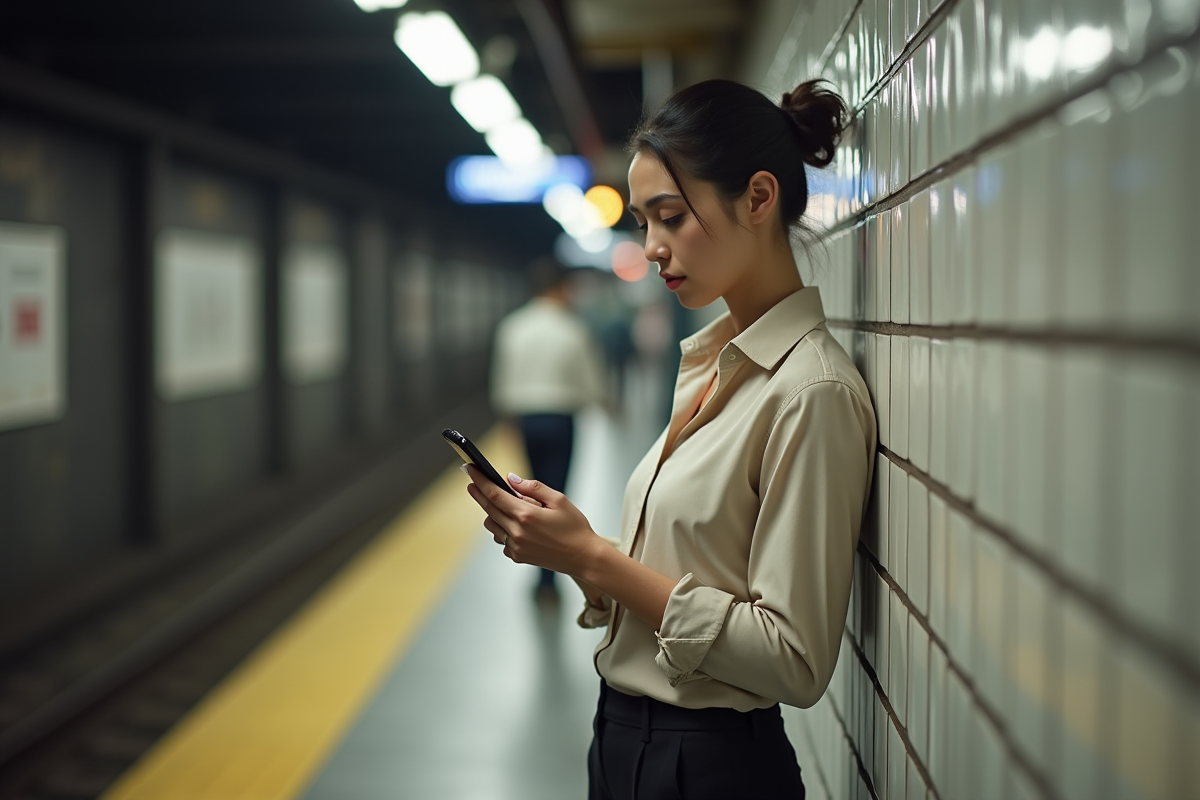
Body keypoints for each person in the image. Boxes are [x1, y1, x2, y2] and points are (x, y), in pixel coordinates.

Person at [465, 78, 876, 799]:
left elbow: (793, 659)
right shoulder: (716, 368)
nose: (651, 248)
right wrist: (580, 552)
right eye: (643, 222)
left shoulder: (810, 392)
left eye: (671, 217)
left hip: (710, 767)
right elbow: (695, 569)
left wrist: (596, 558)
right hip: (625, 742)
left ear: (756, 198)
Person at [489, 256, 608, 603]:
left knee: (530, 492)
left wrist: (508, 420)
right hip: (560, 419)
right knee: (556, 495)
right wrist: (604, 403)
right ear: (561, 288)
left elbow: (502, 380)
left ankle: (542, 574)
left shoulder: (513, 326)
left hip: (527, 418)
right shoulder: (572, 328)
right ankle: (548, 581)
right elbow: (592, 381)